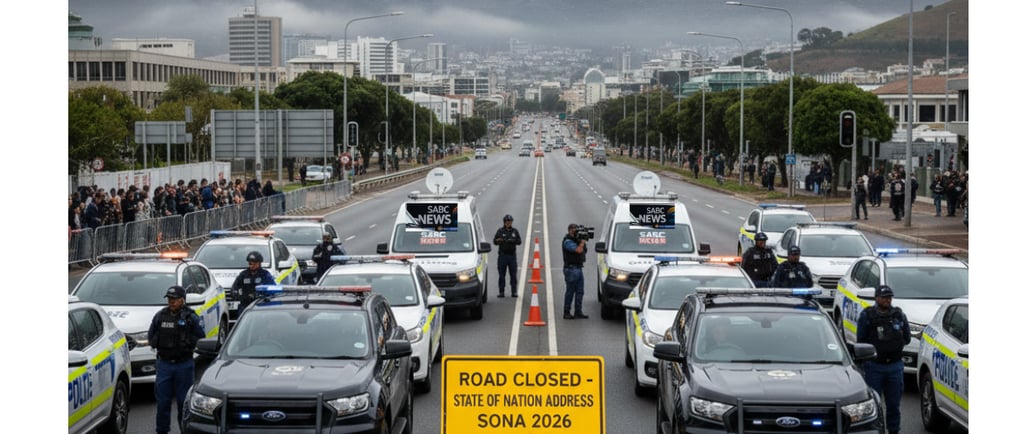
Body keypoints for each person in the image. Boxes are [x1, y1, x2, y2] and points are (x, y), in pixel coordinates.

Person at [147, 285, 205, 434]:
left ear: (182, 300)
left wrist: (188, 341)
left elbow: (201, 336)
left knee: (183, 403)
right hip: (164, 364)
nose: (171, 302)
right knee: (163, 403)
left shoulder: (191, 317)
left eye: (174, 299)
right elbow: (151, 335)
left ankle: (184, 430)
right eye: (169, 299)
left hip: (184, 365)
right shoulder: (160, 316)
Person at [856, 285, 911, 434]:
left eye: (889, 297)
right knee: (874, 405)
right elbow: (860, 340)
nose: (888, 300)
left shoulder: (898, 315)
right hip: (874, 367)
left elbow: (907, 338)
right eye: (885, 297)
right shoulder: (867, 315)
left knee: (893, 406)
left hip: (895, 366)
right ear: (877, 298)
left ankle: (894, 431)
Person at [231, 251, 276, 315]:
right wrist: (240, 296)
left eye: (254, 264)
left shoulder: (265, 274)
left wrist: (262, 295)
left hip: (261, 305)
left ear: (259, 263)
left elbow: (273, 289)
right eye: (250, 264)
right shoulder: (243, 275)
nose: (251, 266)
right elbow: (234, 289)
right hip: (246, 306)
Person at [561, 223, 588, 319]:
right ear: (570, 230)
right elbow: (578, 250)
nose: (576, 231)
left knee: (580, 291)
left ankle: (578, 311)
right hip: (571, 269)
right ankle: (566, 311)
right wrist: (582, 242)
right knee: (570, 291)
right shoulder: (567, 241)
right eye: (575, 230)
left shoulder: (577, 240)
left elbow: (584, 250)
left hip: (579, 268)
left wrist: (581, 240)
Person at [493, 214, 523, 298]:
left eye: (510, 222)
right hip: (502, 256)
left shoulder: (514, 231)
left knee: (513, 274)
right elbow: (494, 241)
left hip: (512, 256)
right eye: (507, 222)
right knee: (502, 275)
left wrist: (512, 241)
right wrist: (500, 240)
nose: (509, 223)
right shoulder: (500, 231)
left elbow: (519, 241)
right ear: (504, 222)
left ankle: (514, 291)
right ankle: (501, 292)